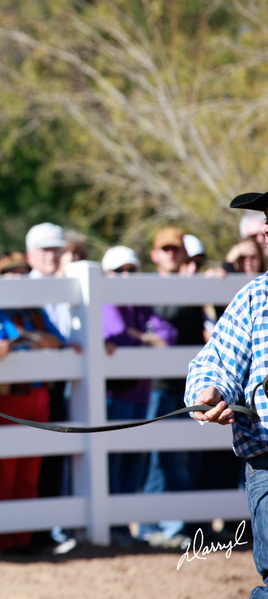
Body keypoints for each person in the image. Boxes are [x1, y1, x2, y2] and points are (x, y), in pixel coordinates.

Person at [185, 189, 268, 598]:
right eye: (267, 224)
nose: (266, 233)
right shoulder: (256, 297)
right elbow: (216, 361)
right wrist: (211, 392)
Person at [0, 251, 65, 555]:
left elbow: (57, 340)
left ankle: (24, 538)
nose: (18, 278)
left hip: (37, 394)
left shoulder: (35, 310)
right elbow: (1, 345)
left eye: (23, 272)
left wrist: (33, 337)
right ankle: (5, 541)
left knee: (30, 470)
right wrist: (36, 338)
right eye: (11, 273)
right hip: (6, 396)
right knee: (5, 471)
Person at [137, 227, 209, 549]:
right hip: (158, 384)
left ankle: (178, 524)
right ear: (154, 254)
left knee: (181, 456)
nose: (170, 255)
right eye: (164, 249)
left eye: (175, 249)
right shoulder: (148, 287)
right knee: (156, 455)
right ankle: (152, 525)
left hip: (187, 384)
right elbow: (161, 319)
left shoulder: (193, 285)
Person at [101, 245, 177, 546]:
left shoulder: (141, 304)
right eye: (118, 270)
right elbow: (117, 335)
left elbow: (168, 334)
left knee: (135, 460)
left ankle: (124, 527)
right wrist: (146, 339)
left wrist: (140, 337)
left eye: (131, 270)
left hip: (140, 393)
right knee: (115, 460)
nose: (125, 276)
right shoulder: (106, 301)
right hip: (115, 394)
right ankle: (114, 527)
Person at [25, 222, 79, 552]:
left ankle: (53, 529)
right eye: (45, 250)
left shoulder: (72, 285)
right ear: (31, 254)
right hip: (39, 383)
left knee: (59, 457)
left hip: (66, 382)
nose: (51, 256)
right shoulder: (25, 289)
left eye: (56, 250)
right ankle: (38, 532)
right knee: (39, 458)